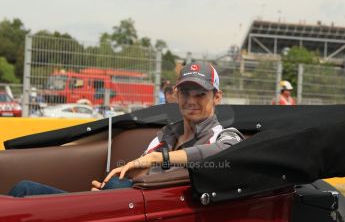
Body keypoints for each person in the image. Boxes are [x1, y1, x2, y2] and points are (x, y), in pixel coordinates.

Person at [8, 62, 244, 197]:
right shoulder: (166, 134)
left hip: (160, 214)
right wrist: (107, 189)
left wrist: (157, 159)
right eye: (184, 93)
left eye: (200, 94)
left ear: (217, 97)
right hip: (127, 207)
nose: (191, 100)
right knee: (24, 190)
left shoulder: (223, 135)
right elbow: (137, 176)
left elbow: (229, 151)